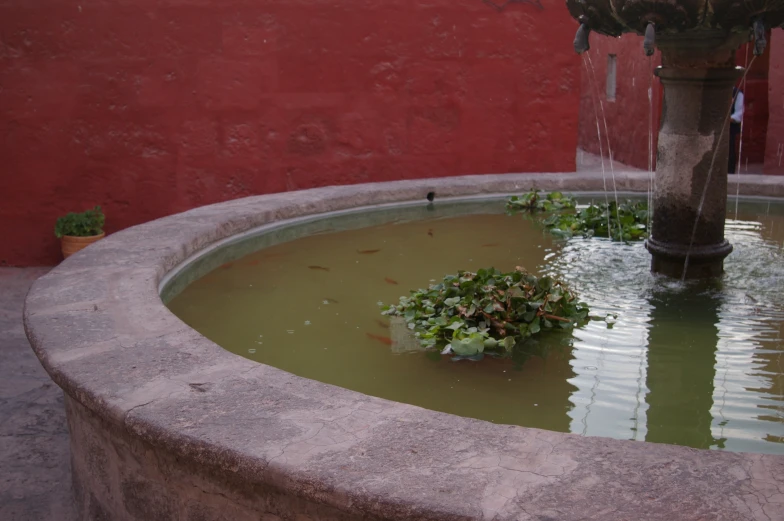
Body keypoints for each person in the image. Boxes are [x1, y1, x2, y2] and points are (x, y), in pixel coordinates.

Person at [728, 86, 744, 174]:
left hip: (730, 128)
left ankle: (729, 172)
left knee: (729, 151)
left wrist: (729, 119)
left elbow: (739, 112)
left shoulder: (737, 93)